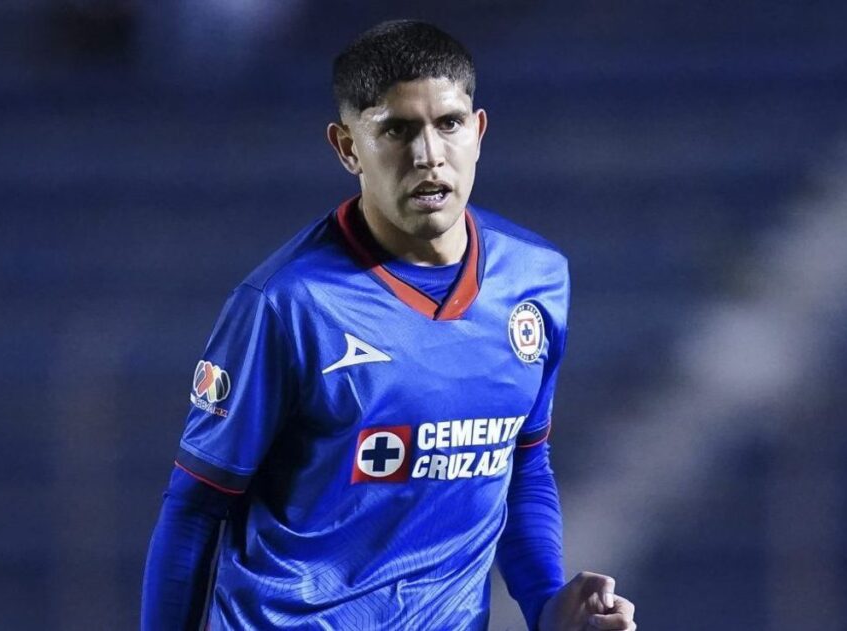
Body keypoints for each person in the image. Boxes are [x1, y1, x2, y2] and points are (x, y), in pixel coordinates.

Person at [142, 19, 636, 631]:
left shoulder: (537, 279)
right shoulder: (287, 304)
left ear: (478, 131)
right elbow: (195, 507)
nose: (428, 155)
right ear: (347, 147)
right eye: (397, 130)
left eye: (448, 124)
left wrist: (545, 603)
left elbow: (523, 465)